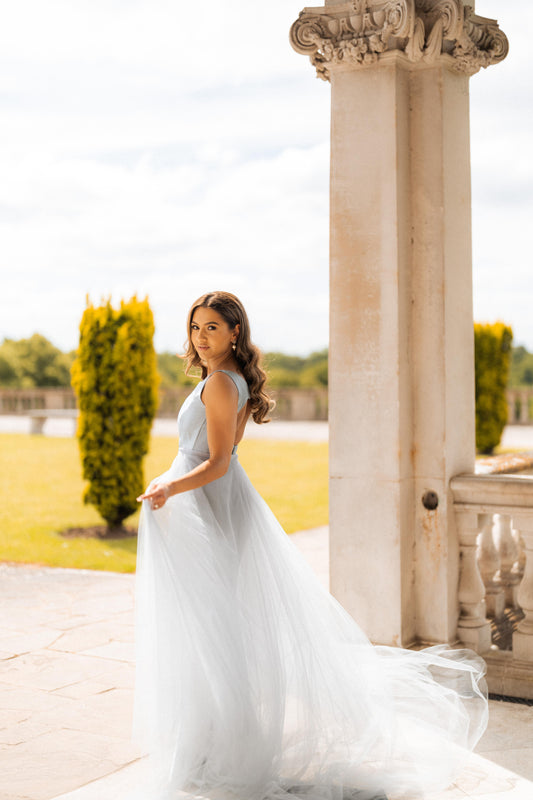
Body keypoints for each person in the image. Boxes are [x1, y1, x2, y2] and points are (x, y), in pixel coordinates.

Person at [132, 291, 488, 800]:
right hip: (212, 504)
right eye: (195, 327)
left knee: (212, 630)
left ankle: (225, 747)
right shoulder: (224, 378)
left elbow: (217, 462)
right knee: (212, 629)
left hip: (209, 505)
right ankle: (212, 742)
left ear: (235, 332)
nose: (201, 337)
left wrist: (168, 486)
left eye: (212, 327)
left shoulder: (221, 385)